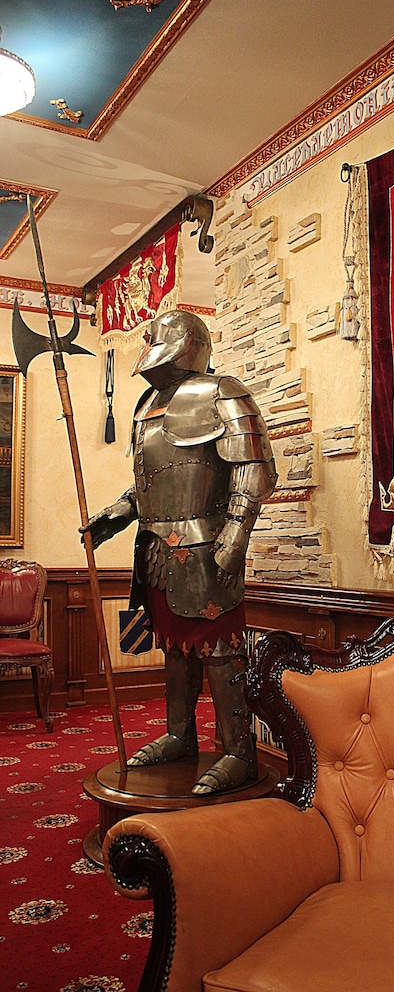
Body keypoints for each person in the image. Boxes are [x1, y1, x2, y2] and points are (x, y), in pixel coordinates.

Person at [83, 309, 277, 794]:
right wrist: (116, 514)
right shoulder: (147, 404)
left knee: (219, 649)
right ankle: (179, 734)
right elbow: (150, 485)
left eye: (158, 338)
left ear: (188, 343)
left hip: (206, 545)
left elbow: (253, 470)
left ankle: (238, 752)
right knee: (175, 648)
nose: (150, 347)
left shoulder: (222, 392)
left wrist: (235, 535)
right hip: (155, 548)